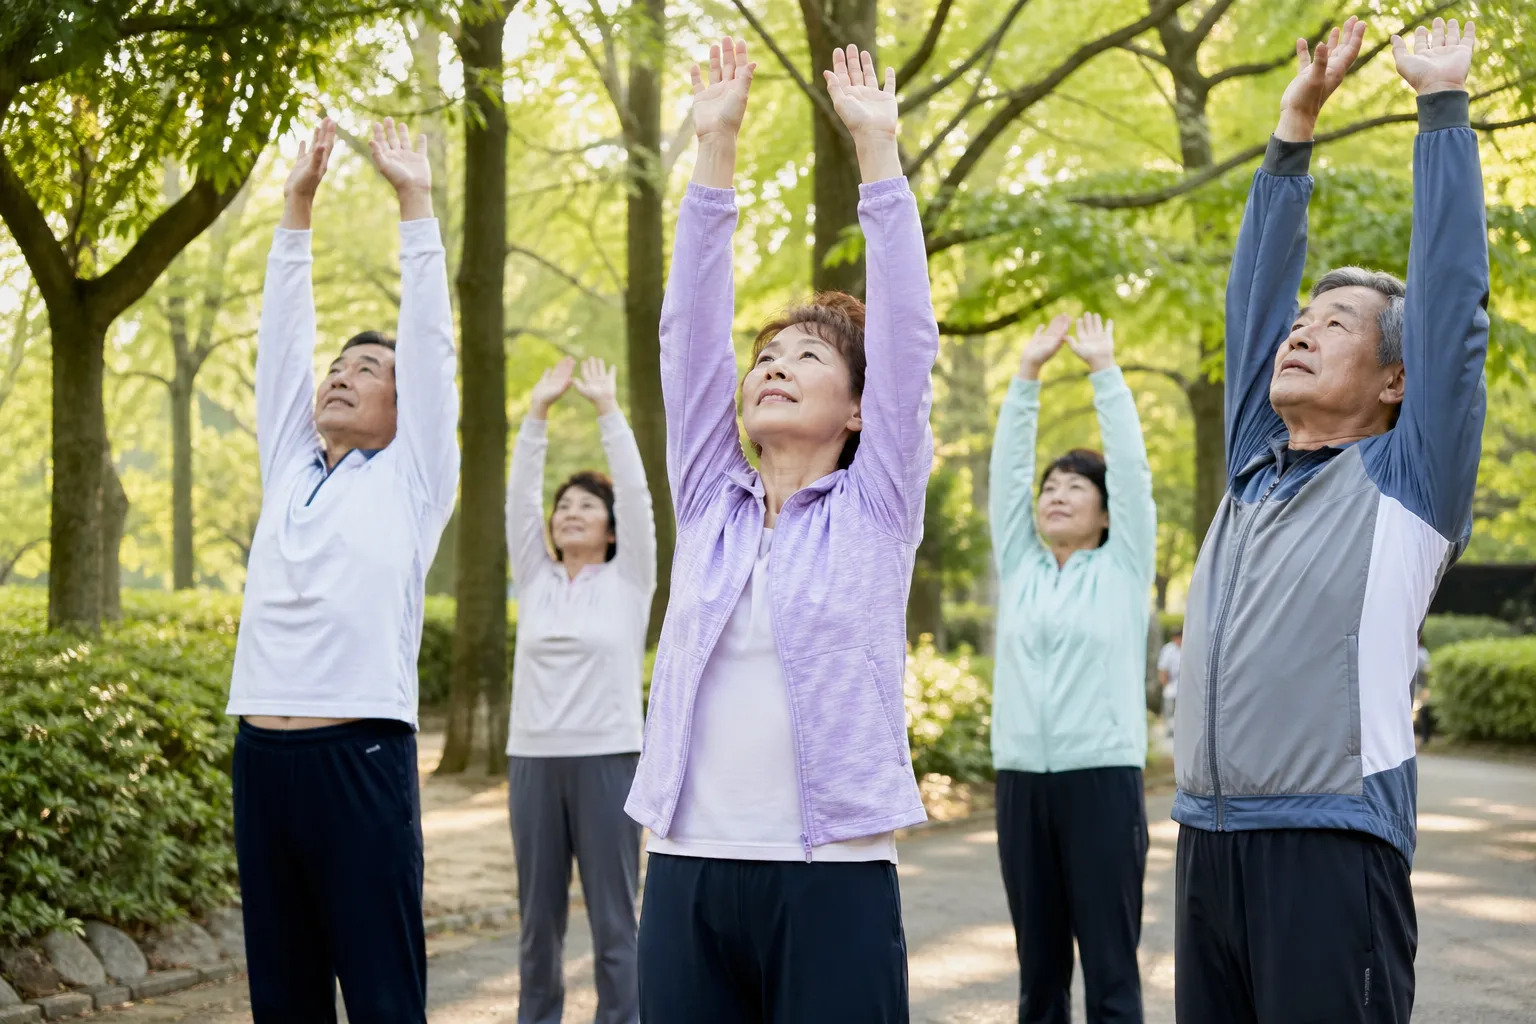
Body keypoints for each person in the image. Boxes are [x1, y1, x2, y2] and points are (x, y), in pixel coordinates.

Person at [1172, 16, 1488, 1022]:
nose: (1301, 328)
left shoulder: (1411, 479)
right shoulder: (1254, 465)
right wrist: (1292, 127)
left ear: (1397, 378)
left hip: (1332, 845)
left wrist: (1440, 110)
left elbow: (1450, 303)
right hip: (1206, 843)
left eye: (1335, 322)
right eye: (1304, 319)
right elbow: (1251, 304)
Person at [625, 37, 938, 1023]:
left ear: (857, 407)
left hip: (832, 871)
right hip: (687, 865)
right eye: (766, 354)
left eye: (807, 355)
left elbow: (907, 340)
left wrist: (877, 155)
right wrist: (714, 148)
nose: (773, 365)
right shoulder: (708, 500)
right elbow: (687, 338)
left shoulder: (877, 503)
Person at [225, 117, 458, 1023]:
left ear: (404, 411)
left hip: (358, 758)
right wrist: (295, 206)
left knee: (382, 996)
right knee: (283, 999)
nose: (339, 376)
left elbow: (430, 349)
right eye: (339, 366)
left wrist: (416, 205)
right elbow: (280, 350)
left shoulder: (412, 479)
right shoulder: (290, 464)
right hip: (262, 760)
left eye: (367, 368)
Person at [989, 313, 1157, 1023]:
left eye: (1074, 486)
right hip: (1022, 780)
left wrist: (1103, 374)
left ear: (1106, 511)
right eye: (1050, 485)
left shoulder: (1123, 567)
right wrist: (1024, 375)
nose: (1054, 493)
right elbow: (1005, 477)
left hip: (1102, 781)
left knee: (1111, 970)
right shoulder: (1020, 565)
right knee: (1040, 974)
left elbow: (1133, 470)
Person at [505, 355, 656, 1024]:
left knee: (615, 926)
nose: (569, 513)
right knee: (538, 928)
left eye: (586, 506)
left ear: (611, 528)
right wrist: (535, 414)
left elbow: (640, 496)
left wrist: (607, 410)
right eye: (562, 506)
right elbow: (517, 500)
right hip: (533, 762)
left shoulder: (629, 584)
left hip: (609, 761)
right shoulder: (535, 579)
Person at [1158, 628, 1182, 736]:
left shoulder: (1187, 647)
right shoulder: (1168, 649)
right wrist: (1165, 684)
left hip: (1184, 687)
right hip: (1171, 685)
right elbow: (1163, 669)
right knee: (1170, 710)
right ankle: (1170, 730)